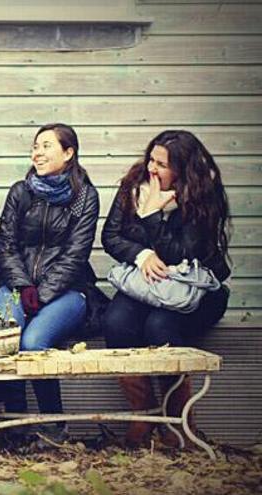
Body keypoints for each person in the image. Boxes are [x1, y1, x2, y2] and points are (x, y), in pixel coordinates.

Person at [101, 130, 231, 448]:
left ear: (183, 171)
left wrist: (151, 216)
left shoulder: (204, 197)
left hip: (192, 292)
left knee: (160, 326)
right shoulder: (134, 187)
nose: (151, 168)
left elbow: (180, 253)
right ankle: (142, 416)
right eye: (151, 159)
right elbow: (111, 236)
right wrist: (142, 255)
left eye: (162, 164)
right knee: (115, 322)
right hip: (148, 284)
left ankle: (177, 421)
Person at [0, 123, 100, 447]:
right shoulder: (20, 191)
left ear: (69, 153)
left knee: (34, 341)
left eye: (46, 146)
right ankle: (15, 423)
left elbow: (76, 254)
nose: (37, 152)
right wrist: (23, 286)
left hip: (67, 290)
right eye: (35, 146)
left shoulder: (85, 197)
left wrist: (43, 293)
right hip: (14, 285)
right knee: (4, 337)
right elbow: (5, 247)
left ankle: (53, 425)